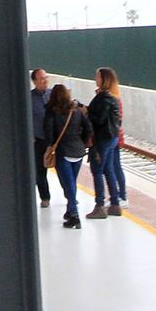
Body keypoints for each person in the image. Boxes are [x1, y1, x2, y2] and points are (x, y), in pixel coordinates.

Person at [43, 85, 92, 229]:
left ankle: (75, 216)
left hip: (63, 152)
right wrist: (81, 142)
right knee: (71, 183)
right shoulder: (76, 110)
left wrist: (51, 145)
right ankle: (70, 211)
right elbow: (88, 128)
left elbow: (49, 132)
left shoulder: (51, 112)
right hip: (78, 152)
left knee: (68, 184)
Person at [85, 67, 126, 219]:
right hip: (112, 137)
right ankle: (115, 204)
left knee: (97, 170)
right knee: (108, 169)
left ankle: (100, 205)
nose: (95, 79)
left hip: (102, 139)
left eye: (98, 76)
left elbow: (99, 119)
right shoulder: (113, 97)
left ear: (104, 79)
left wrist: (86, 112)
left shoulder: (103, 97)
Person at [30, 68, 52, 208]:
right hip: (39, 139)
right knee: (40, 170)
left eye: (46, 78)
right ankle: (45, 197)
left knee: (64, 169)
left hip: (55, 140)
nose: (44, 81)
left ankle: (70, 195)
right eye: (41, 79)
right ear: (34, 81)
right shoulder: (29, 97)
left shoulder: (53, 94)